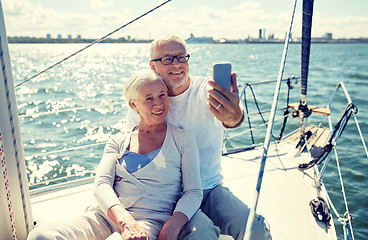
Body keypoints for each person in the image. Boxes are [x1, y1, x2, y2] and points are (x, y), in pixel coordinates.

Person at [27, 71, 212, 240]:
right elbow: (101, 185)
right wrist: (125, 221)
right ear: (133, 104)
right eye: (149, 98)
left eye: (162, 95)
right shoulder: (117, 141)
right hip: (108, 217)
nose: (158, 103)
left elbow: (193, 192)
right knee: (41, 235)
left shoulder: (183, 139)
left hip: (150, 221)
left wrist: (173, 225)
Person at [126, 35, 271, 240]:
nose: (177, 64)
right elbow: (133, 146)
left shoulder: (208, 91)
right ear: (153, 66)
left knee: (255, 229)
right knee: (200, 234)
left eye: (181, 57)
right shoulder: (144, 99)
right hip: (167, 195)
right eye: (168, 59)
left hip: (209, 188)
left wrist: (234, 115)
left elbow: (233, 118)